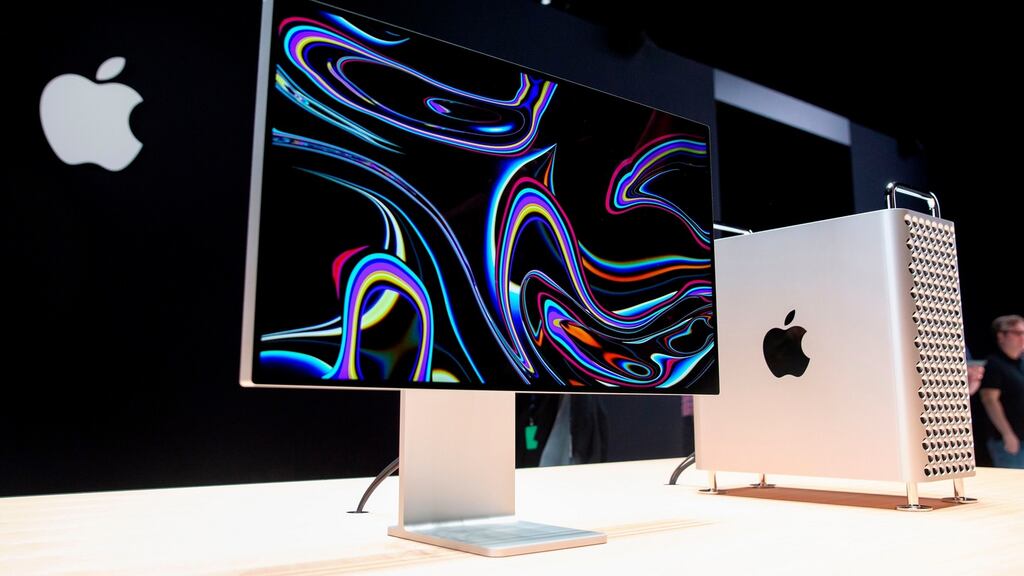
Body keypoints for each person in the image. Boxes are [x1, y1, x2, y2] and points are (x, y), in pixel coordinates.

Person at [979, 315, 1024, 468]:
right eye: (1017, 333)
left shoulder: (1021, 364)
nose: (1022, 337)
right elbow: (989, 399)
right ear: (1001, 336)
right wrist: (1007, 434)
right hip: (1008, 441)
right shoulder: (995, 364)